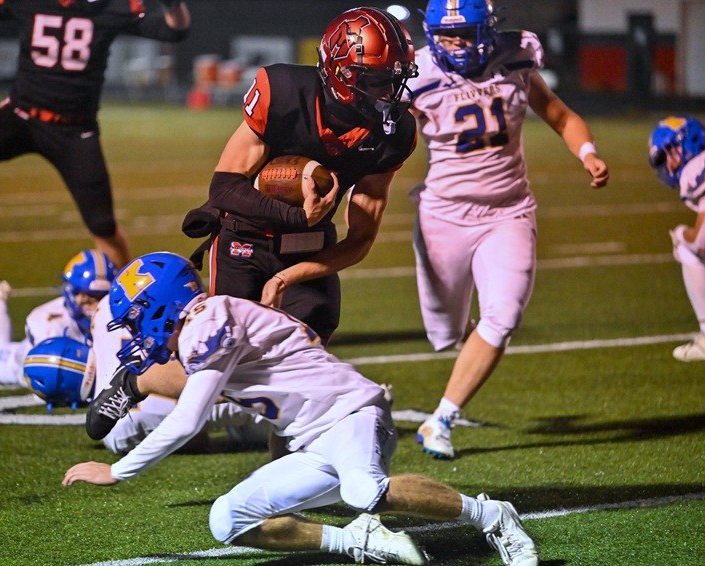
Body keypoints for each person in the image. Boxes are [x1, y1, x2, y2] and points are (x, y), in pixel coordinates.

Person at [64, 252, 540, 566]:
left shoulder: (211, 322)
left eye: (137, 319)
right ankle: (354, 541)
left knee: (362, 490)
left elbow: (188, 420)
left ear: (161, 306)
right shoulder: (205, 327)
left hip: (352, 412)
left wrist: (118, 471)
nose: (136, 333)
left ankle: (493, 516)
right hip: (312, 439)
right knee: (226, 519)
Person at [405, 0, 610, 459]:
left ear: (489, 28)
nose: (456, 44)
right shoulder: (416, 73)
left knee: (504, 316)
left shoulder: (515, 57)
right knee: (447, 334)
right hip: (443, 216)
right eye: (447, 35)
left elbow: (559, 114)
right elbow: (389, 138)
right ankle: (472, 337)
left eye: (466, 33)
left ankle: (440, 419)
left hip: (508, 211)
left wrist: (588, 153)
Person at [181, 6, 418, 342]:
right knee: (224, 353)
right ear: (341, 74)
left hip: (311, 248)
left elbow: (360, 240)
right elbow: (224, 188)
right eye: (377, 80)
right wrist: (297, 215)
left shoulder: (395, 134)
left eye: (396, 80)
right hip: (243, 240)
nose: (389, 94)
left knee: (310, 352)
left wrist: (286, 277)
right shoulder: (285, 92)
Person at [0, 0, 191, 282]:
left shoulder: (111, 7)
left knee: (104, 227)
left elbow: (174, 31)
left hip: (73, 131)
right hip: (22, 115)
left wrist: (173, 5)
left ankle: (123, 301)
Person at [83, 291, 270, 454]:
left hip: (126, 426)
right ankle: (136, 381)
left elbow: (199, 440)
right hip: (209, 393)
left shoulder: (107, 305)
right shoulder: (111, 302)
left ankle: (135, 381)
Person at [0, 249, 115, 387]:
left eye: (102, 298)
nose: (95, 308)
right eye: (88, 299)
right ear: (71, 293)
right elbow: (53, 382)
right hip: (24, 362)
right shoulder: (50, 324)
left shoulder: (120, 313)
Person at [648, 115, 705, 361]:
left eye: (665, 156)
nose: (666, 167)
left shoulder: (695, 170)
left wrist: (683, 235)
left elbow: (700, 242)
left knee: (686, 246)